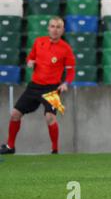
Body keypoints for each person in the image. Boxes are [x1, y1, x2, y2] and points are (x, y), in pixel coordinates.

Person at [0, 16, 75, 154]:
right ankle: (10, 146)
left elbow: (70, 71)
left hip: (52, 89)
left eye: (58, 27)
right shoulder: (39, 42)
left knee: (50, 117)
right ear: (48, 28)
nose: (55, 30)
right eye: (52, 26)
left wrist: (66, 83)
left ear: (63, 30)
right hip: (34, 86)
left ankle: (55, 150)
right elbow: (31, 57)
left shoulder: (66, 49)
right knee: (15, 114)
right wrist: (30, 62)